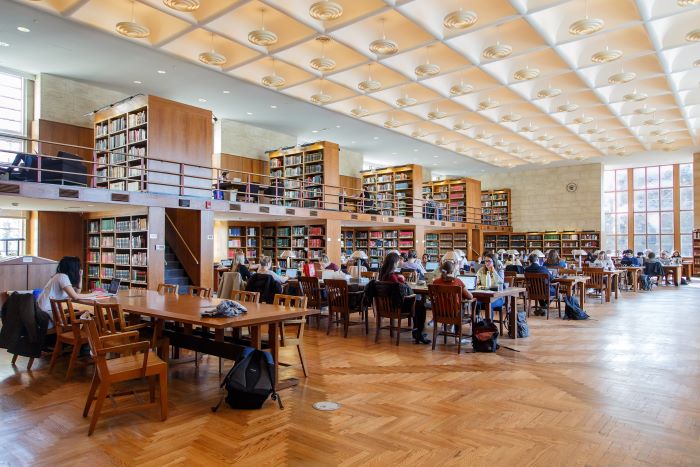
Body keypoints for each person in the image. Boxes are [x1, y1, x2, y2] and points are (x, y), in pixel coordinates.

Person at [377, 252, 430, 344]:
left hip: (387, 307)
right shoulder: (393, 277)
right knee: (421, 307)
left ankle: (417, 332)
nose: (399, 263)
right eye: (397, 262)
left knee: (417, 304)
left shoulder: (382, 275)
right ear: (394, 263)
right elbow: (402, 290)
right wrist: (401, 279)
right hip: (397, 306)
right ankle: (418, 333)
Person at [37, 256, 97, 326]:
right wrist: (94, 294)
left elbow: (77, 292)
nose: (79, 269)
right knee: (88, 315)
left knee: (84, 313)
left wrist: (80, 276)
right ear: (73, 268)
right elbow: (75, 297)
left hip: (48, 310)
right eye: (78, 267)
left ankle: (81, 334)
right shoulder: (62, 277)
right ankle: (82, 335)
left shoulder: (60, 276)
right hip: (47, 312)